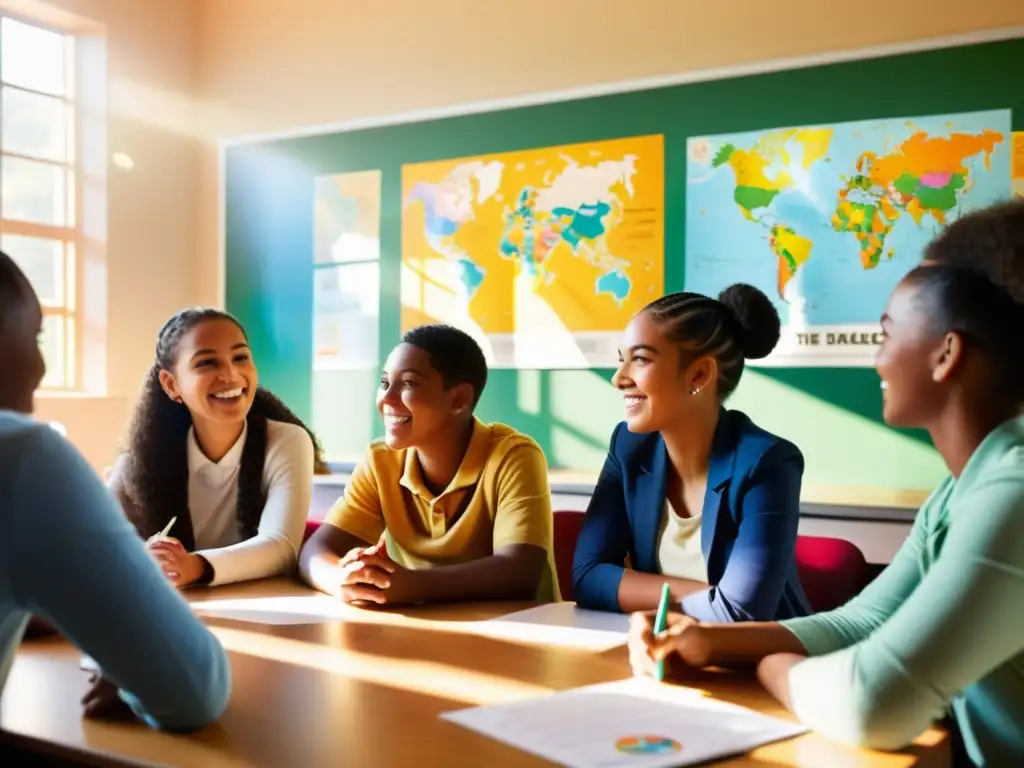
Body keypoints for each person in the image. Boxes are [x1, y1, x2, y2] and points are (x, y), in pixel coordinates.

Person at [628, 200, 1024, 766]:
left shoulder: (1013, 489)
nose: (877, 362)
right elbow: (862, 621)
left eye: (886, 335)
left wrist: (771, 667)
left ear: (947, 353)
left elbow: (871, 704)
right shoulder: (962, 489)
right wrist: (706, 640)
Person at [0, 250, 230, 731]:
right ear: (171, 384)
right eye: (35, 335)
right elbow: (190, 688)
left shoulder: (279, 441)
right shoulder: (24, 457)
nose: (41, 366)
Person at [573, 284, 810, 620]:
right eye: (621, 360)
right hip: (665, 650)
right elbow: (588, 578)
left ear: (698, 374)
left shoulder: (767, 462)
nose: (618, 378)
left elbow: (742, 616)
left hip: (762, 661)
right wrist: (714, 598)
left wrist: (643, 592)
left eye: (639, 359)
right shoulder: (628, 447)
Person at [298, 324, 558, 605]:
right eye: (385, 383)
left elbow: (518, 572)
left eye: (409, 384)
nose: (386, 399)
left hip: (520, 631)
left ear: (458, 399)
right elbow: (316, 550)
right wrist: (343, 579)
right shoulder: (380, 459)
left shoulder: (514, 455)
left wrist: (409, 586)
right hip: (420, 632)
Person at [109, 307, 327, 588]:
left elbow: (281, 547)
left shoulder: (287, 441)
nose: (230, 374)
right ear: (171, 384)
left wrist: (193, 566)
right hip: (176, 611)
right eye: (207, 363)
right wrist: (148, 557)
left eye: (240, 358)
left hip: (263, 609)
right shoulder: (140, 460)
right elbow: (98, 540)